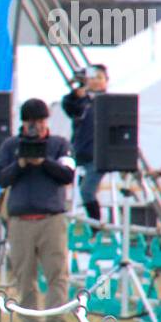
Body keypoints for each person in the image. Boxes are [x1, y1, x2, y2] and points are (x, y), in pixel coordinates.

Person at [0, 98, 75, 322]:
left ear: (46, 121)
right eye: (31, 122)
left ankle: (56, 320)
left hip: (51, 218)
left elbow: (67, 174)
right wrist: (20, 163)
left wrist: (42, 162)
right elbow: (0, 178)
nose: (35, 126)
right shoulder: (10, 146)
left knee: (57, 272)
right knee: (24, 274)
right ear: (23, 123)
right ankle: (30, 321)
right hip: (20, 221)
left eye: (40, 121)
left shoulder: (59, 144)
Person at [61, 64, 108, 223]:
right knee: (72, 188)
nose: (96, 81)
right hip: (80, 153)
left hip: (99, 157)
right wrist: (76, 94)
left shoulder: (109, 102)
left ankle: (96, 227)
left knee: (87, 191)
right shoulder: (82, 101)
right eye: (93, 78)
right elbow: (68, 106)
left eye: (99, 78)